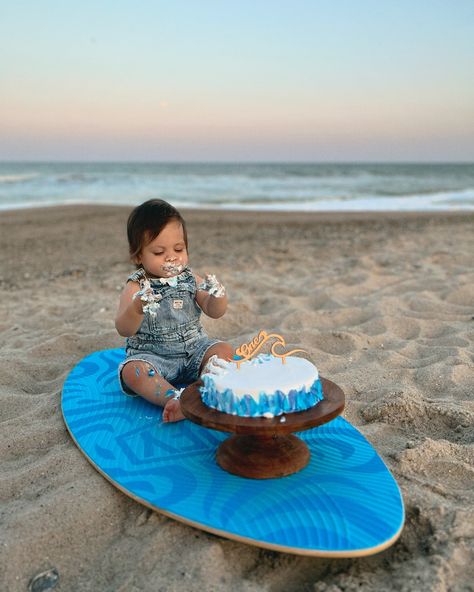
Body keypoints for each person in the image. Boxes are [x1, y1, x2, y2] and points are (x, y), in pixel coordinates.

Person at [115, 199, 233, 422]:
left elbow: (213, 310)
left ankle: (204, 388)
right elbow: (124, 328)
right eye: (159, 252)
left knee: (223, 349)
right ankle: (173, 398)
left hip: (194, 349)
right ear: (138, 256)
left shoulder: (189, 278)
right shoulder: (136, 285)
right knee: (133, 371)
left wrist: (218, 296)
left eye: (179, 249)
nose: (172, 257)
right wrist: (137, 307)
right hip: (154, 356)